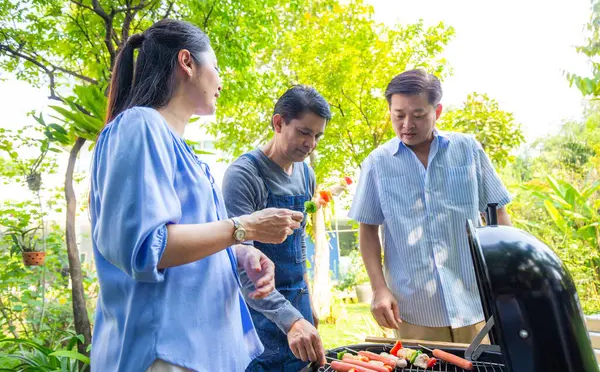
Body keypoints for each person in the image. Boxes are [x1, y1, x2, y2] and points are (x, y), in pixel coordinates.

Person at [89, 19, 304, 372]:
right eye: (216, 66)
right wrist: (244, 228)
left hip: (199, 352)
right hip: (165, 355)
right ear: (187, 62)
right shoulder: (140, 125)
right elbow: (147, 249)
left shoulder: (182, 150)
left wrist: (239, 254)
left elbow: (189, 241)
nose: (221, 80)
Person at [349, 69, 512, 343]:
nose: (407, 124)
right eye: (398, 115)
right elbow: (368, 231)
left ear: (438, 110)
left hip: (474, 302)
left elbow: (499, 215)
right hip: (413, 308)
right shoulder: (377, 163)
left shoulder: (468, 150)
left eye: (418, 115)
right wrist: (379, 289)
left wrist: (507, 277)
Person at [222, 85, 330, 371]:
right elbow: (242, 264)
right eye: (304, 132)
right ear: (278, 123)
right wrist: (289, 319)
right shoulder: (244, 174)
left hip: (298, 304)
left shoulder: (306, 173)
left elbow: (299, 243)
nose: (311, 144)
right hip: (261, 314)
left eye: (317, 136)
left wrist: (305, 302)